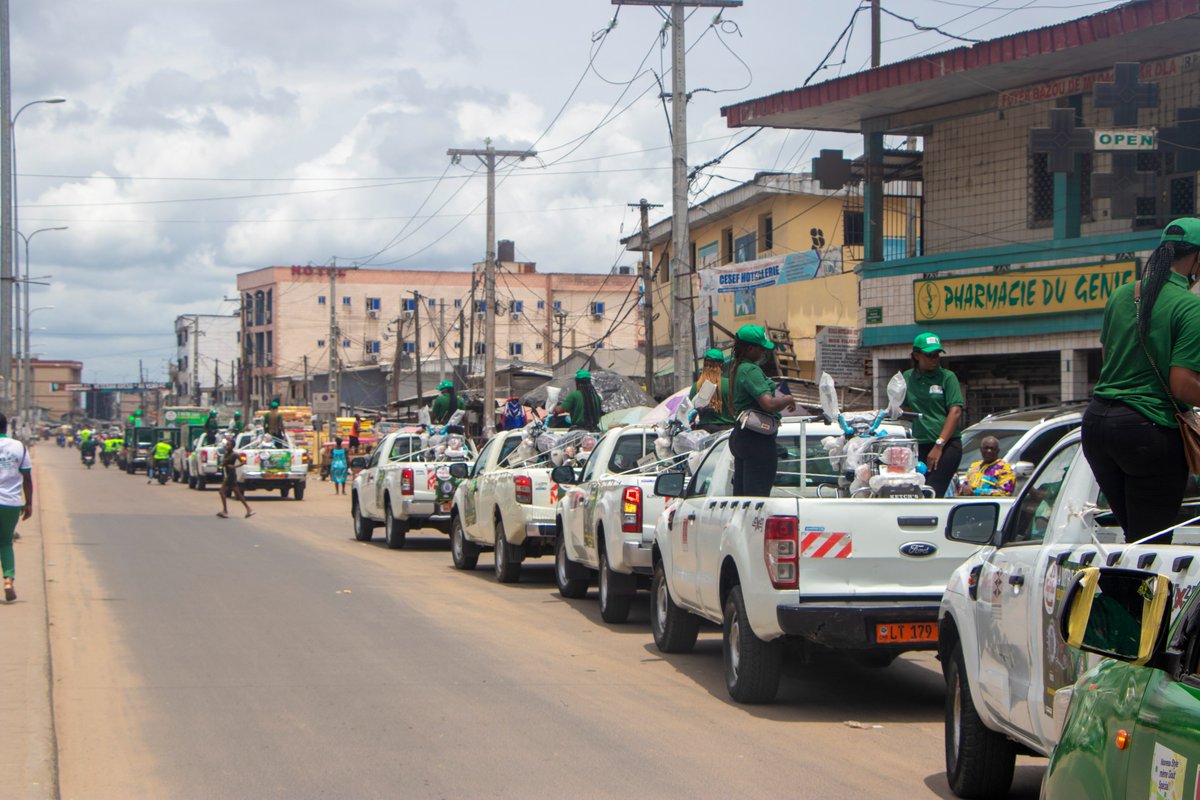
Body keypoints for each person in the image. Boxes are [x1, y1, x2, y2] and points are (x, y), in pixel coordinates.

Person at [1083, 218, 1200, 544]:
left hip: (1097, 426)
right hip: (1148, 431)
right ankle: (1129, 594)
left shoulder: (1122, 294)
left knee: (1136, 538)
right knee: (1150, 545)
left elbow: (1109, 357)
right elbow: (1182, 384)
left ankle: (1119, 593)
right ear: (1197, 257)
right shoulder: (1190, 307)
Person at [729, 325, 796, 497]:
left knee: (743, 499)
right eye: (760, 348)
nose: (763, 353)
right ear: (750, 348)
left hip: (741, 435)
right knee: (756, 499)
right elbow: (768, 404)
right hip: (757, 438)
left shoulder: (738, 368)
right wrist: (787, 399)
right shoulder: (751, 370)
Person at [903, 332, 964, 498]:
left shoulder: (947, 377)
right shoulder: (907, 378)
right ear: (916, 355)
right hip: (920, 445)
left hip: (946, 446)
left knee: (932, 491)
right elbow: (900, 409)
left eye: (937, 355)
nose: (934, 359)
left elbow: (956, 411)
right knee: (914, 492)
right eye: (929, 355)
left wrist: (939, 445)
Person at [0, 413, 31, 602]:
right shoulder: (18, 447)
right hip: (11, 502)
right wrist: (29, 503)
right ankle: (8, 580)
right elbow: (27, 477)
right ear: (6, 427)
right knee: (5, 542)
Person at [690, 348, 735, 433]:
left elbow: (691, 413)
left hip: (704, 432)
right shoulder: (730, 384)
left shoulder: (696, 386)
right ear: (721, 365)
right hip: (728, 431)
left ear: (704, 365)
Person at [217, 438, 254, 519]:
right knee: (238, 494)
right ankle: (249, 509)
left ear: (232, 446)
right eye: (226, 444)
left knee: (222, 491)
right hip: (229, 475)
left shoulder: (234, 454)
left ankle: (225, 511)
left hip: (231, 475)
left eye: (228, 445)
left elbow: (243, 462)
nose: (227, 446)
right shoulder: (226, 453)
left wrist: (234, 466)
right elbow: (223, 463)